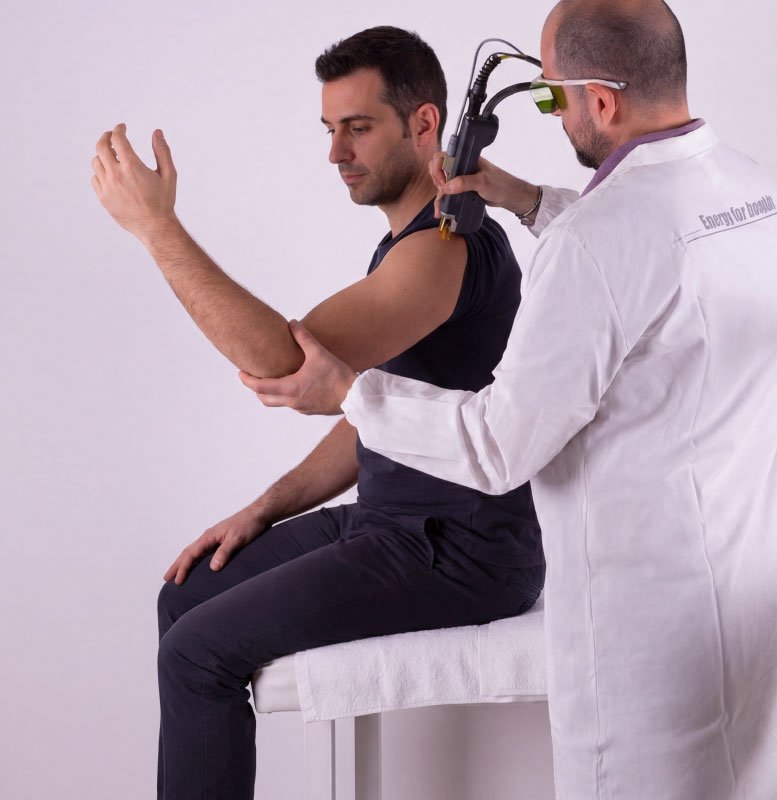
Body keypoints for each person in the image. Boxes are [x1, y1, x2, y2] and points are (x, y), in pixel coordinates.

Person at [242, 2, 777, 797]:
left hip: (647, 645)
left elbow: (497, 446)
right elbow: (656, 263)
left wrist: (352, 394)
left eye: (551, 96)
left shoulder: (599, 242)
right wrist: (528, 199)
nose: (554, 114)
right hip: (755, 601)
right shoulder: (749, 191)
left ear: (600, 101)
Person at [90, 26, 543, 800]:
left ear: (425, 124)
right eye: (330, 129)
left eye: (357, 127)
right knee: (187, 593)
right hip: (392, 523)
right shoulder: (405, 244)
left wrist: (158, 228)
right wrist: (263, 509)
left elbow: (285, 363)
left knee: (196, 654)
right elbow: (374, 411)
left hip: (462, 551)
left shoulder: (444, 246)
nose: (336, 152)